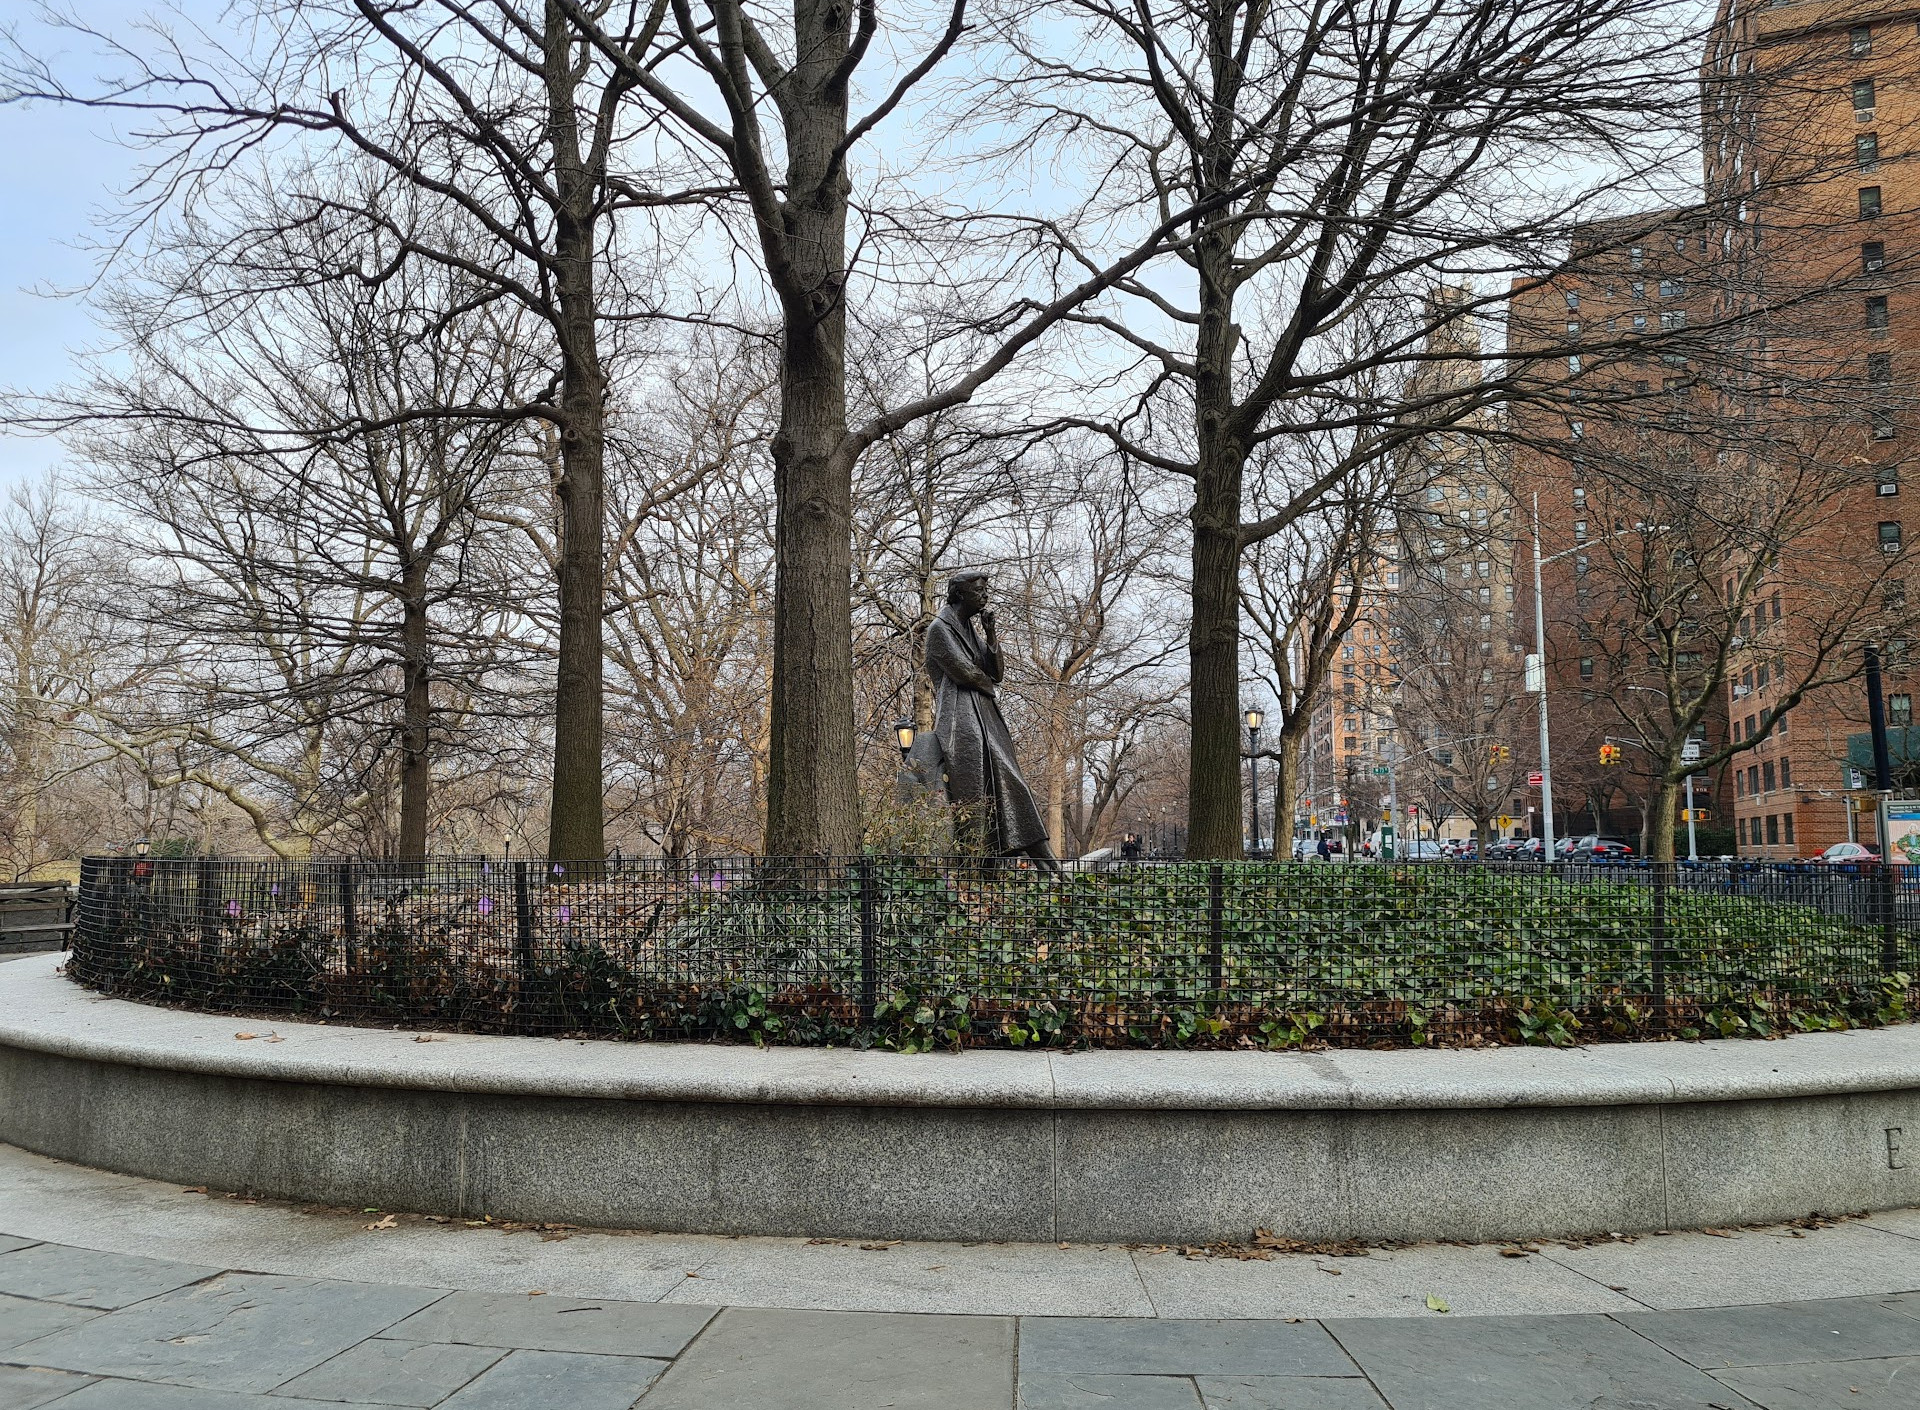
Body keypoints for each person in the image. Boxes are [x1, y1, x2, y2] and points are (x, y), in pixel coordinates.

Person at [924, 569, 1061, 872]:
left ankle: (1041, 865)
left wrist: (991, 635)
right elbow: (966, 673)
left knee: (1006, 786)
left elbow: (994, 673)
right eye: (979, 590)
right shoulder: (939, 629)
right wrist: (988, 684)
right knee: (981, 795)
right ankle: (1036, 865)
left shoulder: (970, 628)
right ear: (960, 593)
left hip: (985, 717)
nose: (985, 595)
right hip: (962, 724)